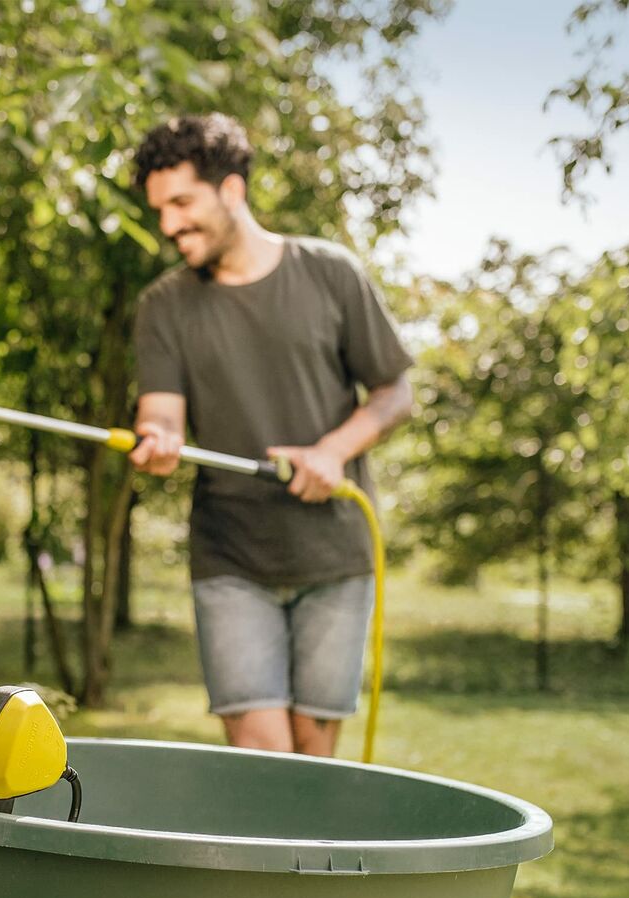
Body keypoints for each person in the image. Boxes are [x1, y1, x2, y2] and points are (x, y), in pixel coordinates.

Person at [129, 113, 414, 757]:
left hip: (335, 556)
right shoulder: (164, 306)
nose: (169, 224)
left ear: (231, 190)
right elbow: (162, 416)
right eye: (160, 210)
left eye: (181, 202)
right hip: (232, 558)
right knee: (262, 763)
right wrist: (158, 441)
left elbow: (396, 392)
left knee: (315, 761)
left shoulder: (330, 273)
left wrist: (331, 452)